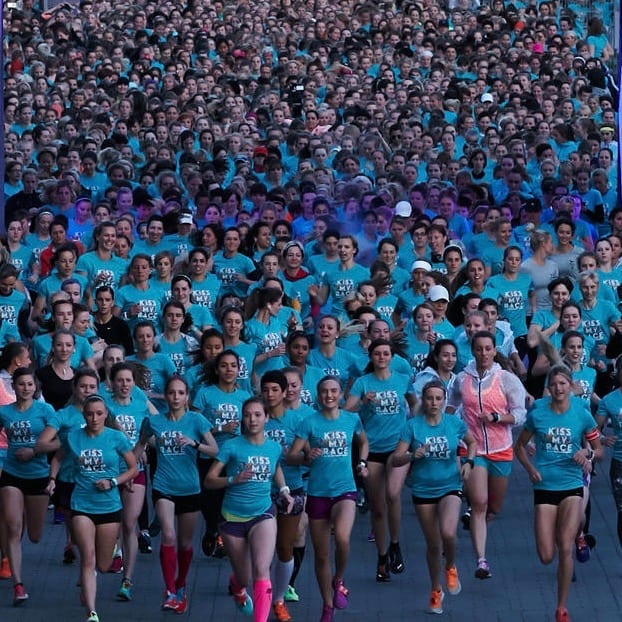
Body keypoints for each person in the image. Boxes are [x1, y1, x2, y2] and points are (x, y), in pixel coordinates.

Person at [515, 365, 601, 622]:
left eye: (564, 384)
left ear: (571, 386)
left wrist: (587, 454)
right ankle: (568, 530)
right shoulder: (538, 412)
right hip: (544, 485)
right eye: (554, 384)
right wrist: (530, 469)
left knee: (564, 547)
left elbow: (599, 449)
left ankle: (561, 608)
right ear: (549, 388)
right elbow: (519, 446)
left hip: (572, 483)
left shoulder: (582, 413)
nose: (559, 388)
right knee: (545, 556)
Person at [205, 396, 294, 622]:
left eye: (257, 415)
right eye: (247, 415)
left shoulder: (274, 447)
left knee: (261, 570)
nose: (252, 419)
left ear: (266, 417)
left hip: (263, 513)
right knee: (244, 577)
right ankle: (238, 588)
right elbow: (209, 480)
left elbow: (275, 468)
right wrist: (234, 479)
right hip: (232, 517)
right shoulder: (232, 446)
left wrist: (284, 489)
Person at [287, 376, 369, 622]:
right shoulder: (309, 422)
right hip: (317, 492)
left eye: (334, 391)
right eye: (324, 391)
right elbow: (292, 455)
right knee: (321, 555)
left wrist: (362, 463)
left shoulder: (351, 419)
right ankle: (327, 605)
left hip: (345, 489)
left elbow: (364, 441)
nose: (329, 396)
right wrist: (306, 456)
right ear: (317, 395)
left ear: (340, 394)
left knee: (342, 538)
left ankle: (339, 579)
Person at [392, 379, 477, 615]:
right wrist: (411, 455)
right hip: (423, 489)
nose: (434, 402)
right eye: (429, 398)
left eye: (438, 398)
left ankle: (450, 566)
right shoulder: (413, 426)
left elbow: (472, 443)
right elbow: (395, 459)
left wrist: (469, 463)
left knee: (449, 532)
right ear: (424, 400)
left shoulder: (453, 423)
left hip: (450, 484)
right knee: (433, 544)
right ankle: (435, 590)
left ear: (444, 400)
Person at [447, 331, 527, 579]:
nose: (483, 353)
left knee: (493, 508)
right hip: (472, 448)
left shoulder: (507, 379)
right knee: (479, 503)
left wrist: (497, 418)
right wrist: (445, 422)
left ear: (494, 351)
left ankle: (477, 528)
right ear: (472, 351)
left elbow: (520, 413)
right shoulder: (462, 378)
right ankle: (481, 561)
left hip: (501, 448)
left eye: (487, 349)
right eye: (479, 349)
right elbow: (452, 403)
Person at [138, 376, 218, 613]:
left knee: (184, 543)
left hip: (190, 488)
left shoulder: (196, 420)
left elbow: (214, 449)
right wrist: (130, 464)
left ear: (187, 397)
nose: (175, 397)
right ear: (166, 394)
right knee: (169, 535)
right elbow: (139, 445)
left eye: (180, 393)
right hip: (163, 485)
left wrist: (194, 445)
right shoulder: (154, 421)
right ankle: (170, 589)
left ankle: (181, 584)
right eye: (171, 393)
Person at [344, 339, 416, 582]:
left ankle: (396, 544)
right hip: (372, 449)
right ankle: (383, 555)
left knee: (394, 494)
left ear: (391, 356)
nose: (382, 357)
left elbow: (414, 403)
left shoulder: (401, 379)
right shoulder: (363, 383)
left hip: (397, 446)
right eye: (377, 354)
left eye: (386, 353)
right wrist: (364, 402)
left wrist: (414, 428)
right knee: (377, 508)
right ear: (371, 356)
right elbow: (347, 410)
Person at [62, 394, 138, 622]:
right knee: (87, 556)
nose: (94, 418)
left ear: (106, 415)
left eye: (99, 413)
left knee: (103, 565)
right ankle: (92, 613)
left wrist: (113, 481)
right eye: (89, 414)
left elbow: (134, 467)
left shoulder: (116, 438)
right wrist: (54, 477)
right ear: (84, 415)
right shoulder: (73, 437)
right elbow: (58, 456)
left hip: (109, 505)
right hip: (81, 504)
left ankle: (92, 577)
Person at [104, 362, 158, 600]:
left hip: (135, 469)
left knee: (129, 523)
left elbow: (148, 437)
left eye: (128, 381)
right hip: (109, 470)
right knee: (112, 522)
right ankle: (108, 556)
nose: (124, 385)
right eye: (120, 380)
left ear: (134, 383)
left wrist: (143, 447)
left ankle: (127, 579)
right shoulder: (104, 407)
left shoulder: (141, 407)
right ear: (112, 383)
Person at [0, 367, 54, 606]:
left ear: (35, 387)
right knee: (13, 527)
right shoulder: (4, 412)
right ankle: (18, 585)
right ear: (14, 386)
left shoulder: (45, 410)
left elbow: (61, 442)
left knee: (34, 535)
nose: (25, 388)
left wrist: (35, 450)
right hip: (12, 474)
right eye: (21, 384)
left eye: (29, 384)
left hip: (38, 476)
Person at [35, 368, 100, 566]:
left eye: (92, 387)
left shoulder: (104, 412)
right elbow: (41, 445)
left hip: (96, 481)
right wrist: (67, 442)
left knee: (93, 532)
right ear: (74, 388)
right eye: (83, 386)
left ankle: (89, 567)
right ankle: (85, 565)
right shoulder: (64, 415)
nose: (87, 390)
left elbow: (121, 440)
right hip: (70, 480)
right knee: (79, 531)